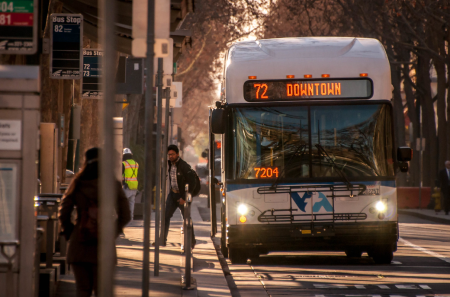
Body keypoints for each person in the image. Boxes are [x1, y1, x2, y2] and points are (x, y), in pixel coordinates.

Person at [59, 148, 131, 297]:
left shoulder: (77, 183)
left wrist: (71, 234)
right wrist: (111, 233)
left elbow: (64, 213)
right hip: (104, 247)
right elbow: (125, 215)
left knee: (82, 290)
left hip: (79, 245)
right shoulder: (112, 184)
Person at [159, 144, 197, 247]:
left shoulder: (184, 166)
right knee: (165, 216)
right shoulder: (169, 164)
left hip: (182, 196)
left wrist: (184, 198)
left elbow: (192, 183)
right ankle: (162, 240)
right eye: (169, 155)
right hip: (172, 194)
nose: (170, 156)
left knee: (187, 218)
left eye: (172, 154)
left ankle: (192, 241)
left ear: (177, 154)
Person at [122, 148, 139, 220]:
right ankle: (131, 218)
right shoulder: (136, 164)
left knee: (123, 203)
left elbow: (121, 174)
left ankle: (124, 218)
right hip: (134, 185)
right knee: (132, 203)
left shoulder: (124, 164)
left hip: (127, 186)